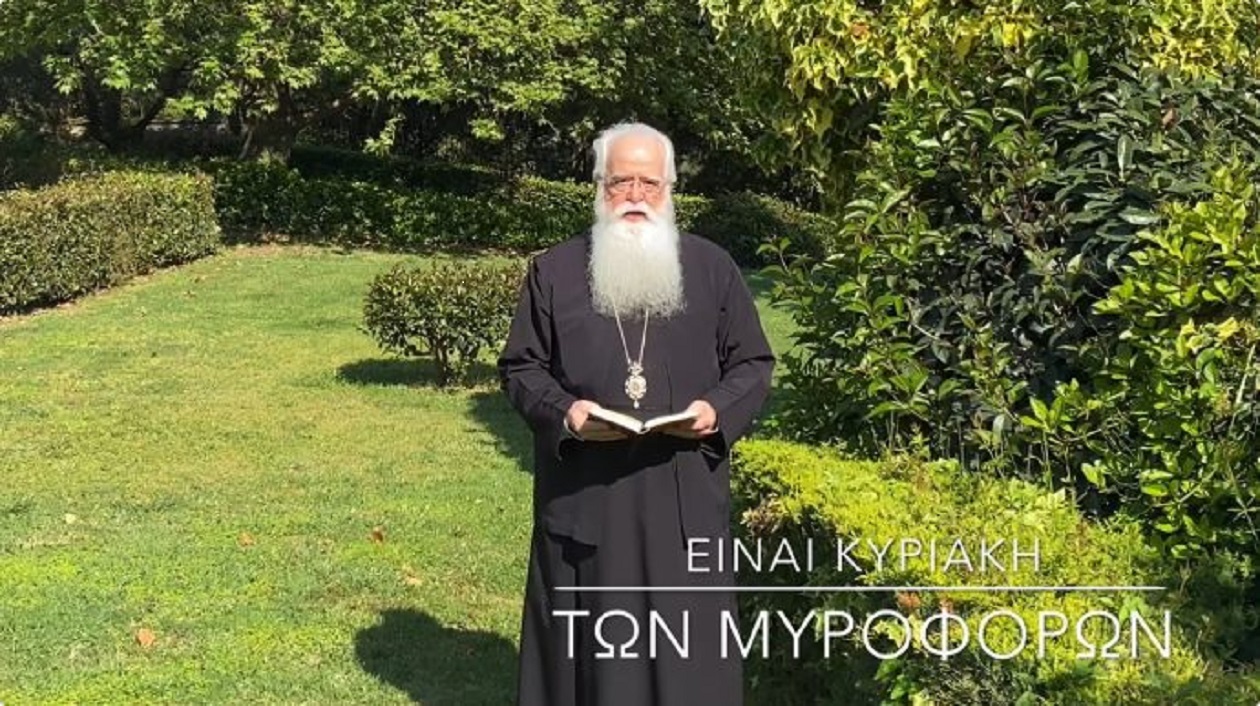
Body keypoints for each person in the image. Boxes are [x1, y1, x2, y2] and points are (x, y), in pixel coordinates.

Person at [498, 121, 775, 706]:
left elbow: (753, 362)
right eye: (620, 182)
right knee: (590, 665)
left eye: (650, 183)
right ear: (598, 186)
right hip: (587, 506)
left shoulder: (712, 268)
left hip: (683, 505)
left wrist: (715, 411)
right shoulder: (555, 271)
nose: (635, 196)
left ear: (670, 189)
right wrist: (567, 413)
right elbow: (521, 368)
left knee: (687, 664)